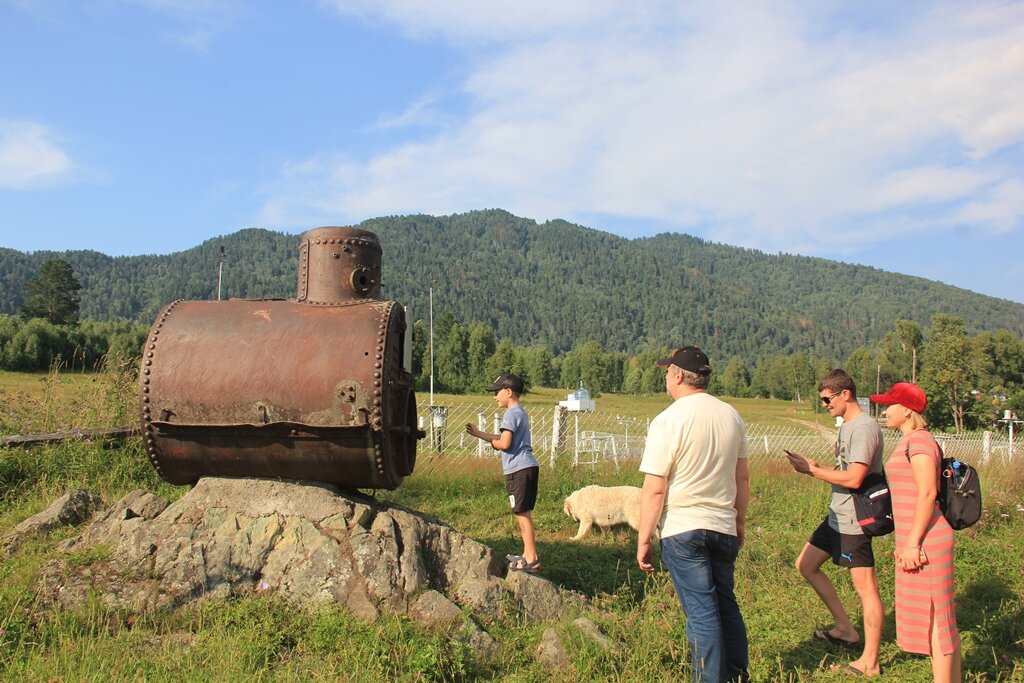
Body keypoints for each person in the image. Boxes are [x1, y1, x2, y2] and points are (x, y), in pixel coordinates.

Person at [636, 346, 750, 683]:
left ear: (676, 375)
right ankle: (737, 675)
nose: (665, 378)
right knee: (726, 605)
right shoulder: (732, 415)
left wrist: (644, 537)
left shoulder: (668, 420)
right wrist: (738, 521)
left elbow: (655, 488)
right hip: (723, 525)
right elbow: (740, 477)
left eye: (666, 372)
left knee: (701, 615)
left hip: (684, 528)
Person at [785, 369, 884, 677]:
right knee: (806, 564)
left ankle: (871, 662)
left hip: (855, 519)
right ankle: (845, 629)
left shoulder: (864, 429)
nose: (825, 405)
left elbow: (855, 478)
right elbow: (846, 469)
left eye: (828, 399)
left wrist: (813, 472)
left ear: (845, 394)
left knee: (866, 589)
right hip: (836, 515)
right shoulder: (847, 427)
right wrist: (815, 466)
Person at [871, 382, 961, 682]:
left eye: (890, 405)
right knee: (936, 618)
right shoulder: (910, 440)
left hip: (927, 542)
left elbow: (927, 493)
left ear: (908, 410)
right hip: (918, 539)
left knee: (938, 620)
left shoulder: (920, 442)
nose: (885, 411)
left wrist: (912, 543)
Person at [465, 373, 541, 573]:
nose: (495, 396)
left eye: (497, 392)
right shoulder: (519, 412)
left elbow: (504, 443)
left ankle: (531, 559)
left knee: (522, 514)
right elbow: (502, 437)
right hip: (526, 467)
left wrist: (494, 443)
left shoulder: (510, 414)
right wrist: (479, 434)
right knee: (523, 513)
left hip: (519, 469)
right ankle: (527, 554)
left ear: (509, 392)